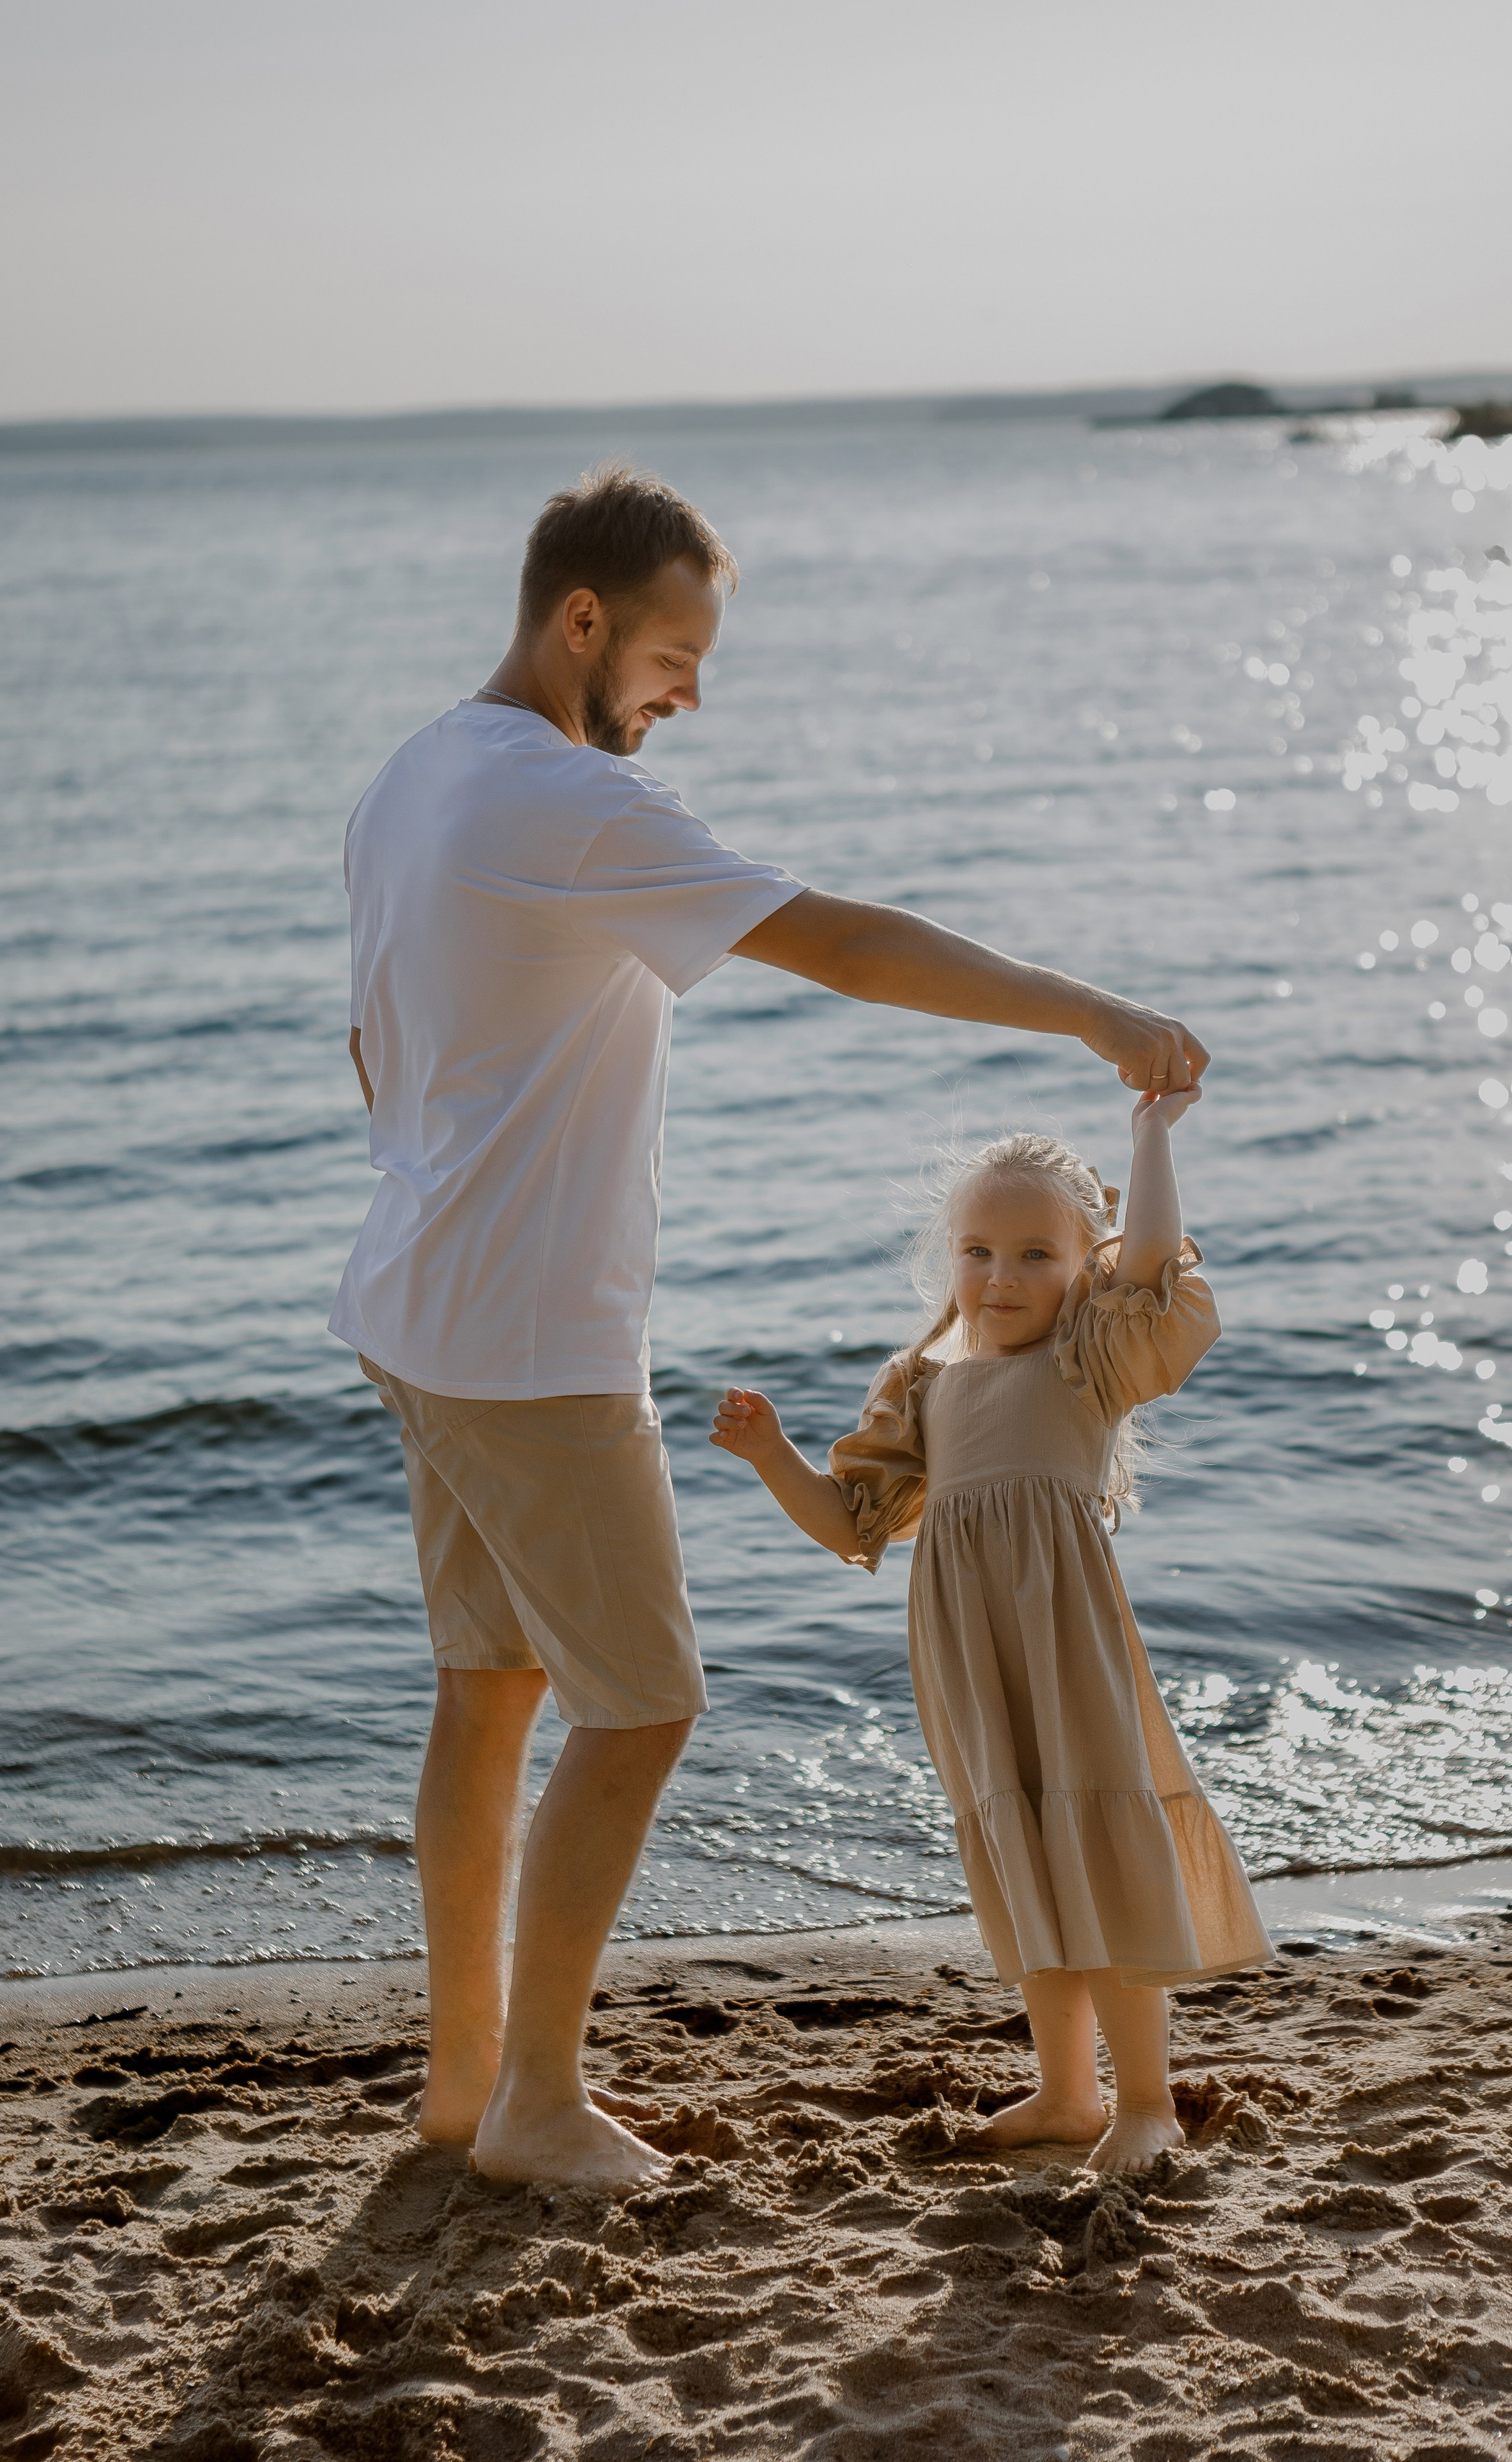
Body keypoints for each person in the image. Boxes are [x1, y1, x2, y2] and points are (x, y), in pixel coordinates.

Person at [332, 461, 1209, 2189]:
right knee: (641, 1707)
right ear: (578, 621)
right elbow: (846, 945)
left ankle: (461, 2085)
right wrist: (1091, 1014)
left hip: (414, 1299)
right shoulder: (563, 800)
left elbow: (376, 1039)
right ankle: (529, 2106)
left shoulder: (414, 773)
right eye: (671, 652)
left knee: (488, 1690)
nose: (688, 693)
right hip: (525, 1339)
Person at [712, 1098, 1271, 2172]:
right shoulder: (925, 1383)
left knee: (1096, 1852)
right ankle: (1066, 2093)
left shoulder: (1087, 1359)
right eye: (977, 1251)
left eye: (1033, 1253)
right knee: (1024, 1856)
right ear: (948, 1259)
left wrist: (1152, 1136)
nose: (1001, 1275)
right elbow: (850, 1524)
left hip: (1066, 1645)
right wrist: (774, 1456)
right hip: (968, 1654)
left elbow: (1153, 1263)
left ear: (1083, 1263)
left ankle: (1144, 2104)